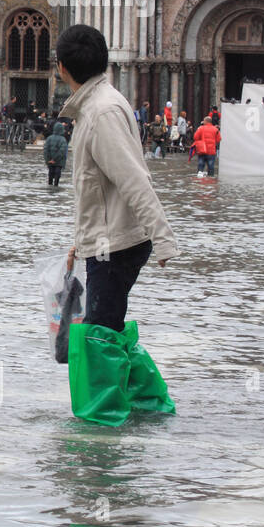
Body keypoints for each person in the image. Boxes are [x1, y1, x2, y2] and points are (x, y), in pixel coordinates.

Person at [56, 24, 177, 426]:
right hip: (107, 239)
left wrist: (164, 239)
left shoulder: (102, 111)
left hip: (118, 243)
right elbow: (94, 191)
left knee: (99, 333)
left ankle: (102, 418)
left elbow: (132, 177)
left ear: (61, 67)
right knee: (107, 326)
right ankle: (146, 402)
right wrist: (80, 241)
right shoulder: (96, 106)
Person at [44, 121, 69, 186]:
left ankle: (49, 190)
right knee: (57, 176)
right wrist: (55, 159)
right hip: (59, 162)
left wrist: (48, 160)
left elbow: (46, 150)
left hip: (50, 161)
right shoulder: (63, 139)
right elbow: (62, 151)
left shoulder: (49, 138)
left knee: (50, 175)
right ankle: (55, 187)